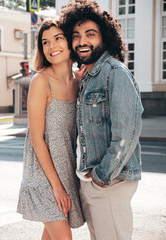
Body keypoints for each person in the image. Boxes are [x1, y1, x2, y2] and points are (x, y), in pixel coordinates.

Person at [60, 1, 144, 240]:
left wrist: (102, 176)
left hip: (110, 181)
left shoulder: (115, 73)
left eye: (90, 34)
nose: (81, 41)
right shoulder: (89, 77)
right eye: (75, 36)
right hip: (94, 181)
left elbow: (127, 132)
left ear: (104, 38)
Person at [17, 17, 85, 240]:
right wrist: (56, 187)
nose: (51, 46)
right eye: (45, 42)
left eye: (58, 38)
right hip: (42, 176)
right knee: (63, 237)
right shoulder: (40, 81)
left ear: (70, 42)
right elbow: (36, 139)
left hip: (66, 171)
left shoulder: (78, 82)